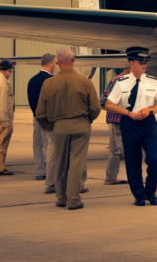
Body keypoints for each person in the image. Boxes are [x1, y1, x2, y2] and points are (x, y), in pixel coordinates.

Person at [35, 48, 101, 210]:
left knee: (60, 163)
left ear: (58, 62)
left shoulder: (48, 83)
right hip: (81, 126)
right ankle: (74, 199)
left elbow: (40, 112)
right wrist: (87, 121)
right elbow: (95, 107)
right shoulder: (85, 82)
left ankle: (61, 198)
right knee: (77, 163)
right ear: (73, 61)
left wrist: (51, 126)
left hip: (59, 127)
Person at [105, 47, 157, 206]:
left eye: (146, 62)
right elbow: (109, 105)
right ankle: (139, 195)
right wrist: (128, 113)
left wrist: (150, 110)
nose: (144, 65)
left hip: (148, 124)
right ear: (131, 63)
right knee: (133, 162)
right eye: (141, 62)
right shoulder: (121, 83)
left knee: (154, 160)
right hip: (129, 123)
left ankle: (151, 191)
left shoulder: (153, 81)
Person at [27, 53, 57, 183]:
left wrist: (36, 114)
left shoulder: (32, 80)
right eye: (55, 64)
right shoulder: (52, 81)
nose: (55, 66)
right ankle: (49, 172)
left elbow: (31, 100)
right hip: (49, 119)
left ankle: (39, 171)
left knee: (37, 145)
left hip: (36, 118)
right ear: (50, 64)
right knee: (49, 146)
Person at [103, 69, 130, 185]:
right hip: (121, 120)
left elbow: (104, 100)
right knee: (125, 150)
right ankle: (133, 176)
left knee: (114, 150)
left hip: (113, 120)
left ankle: (110, 178)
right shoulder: (123, 82)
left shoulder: (114, 80)